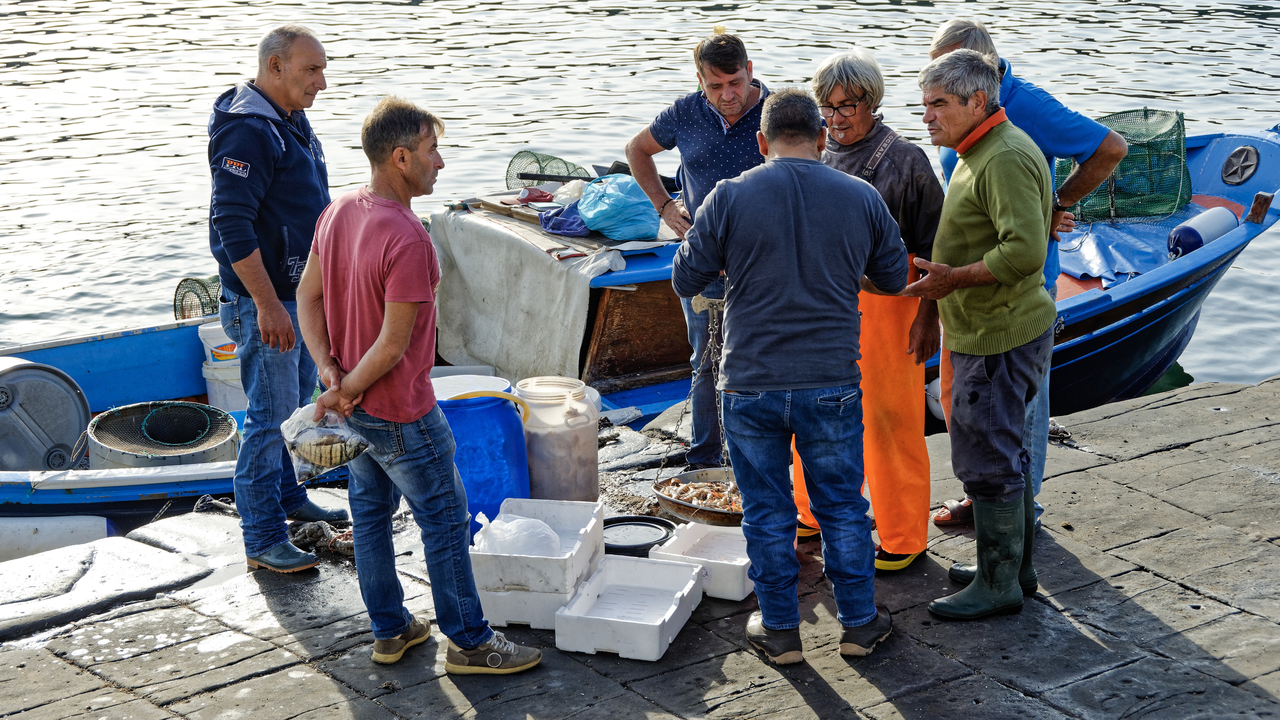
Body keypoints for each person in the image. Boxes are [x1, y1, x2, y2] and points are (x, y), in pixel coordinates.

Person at [296, 96, 541, 673]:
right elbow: (393, 345)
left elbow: (307, 296)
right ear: (401, 158)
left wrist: (330, 373)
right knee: (445, 523)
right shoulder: (407, 236)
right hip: (400, 411)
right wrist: (348, 386)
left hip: (352, 409)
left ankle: (390, 629)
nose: (441, 163)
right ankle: (472, 641)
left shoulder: (338, 212)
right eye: (432, 152)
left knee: (370, 516)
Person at [673, 88, 908, 663]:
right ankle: (859, 624)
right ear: (823, 139)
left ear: (761, 142)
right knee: (842, 507)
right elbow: (896, 276)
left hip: (749, 382)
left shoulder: (729, 196)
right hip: (830, 379)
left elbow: (685, 278)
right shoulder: (861, 195)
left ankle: (780, 630)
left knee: (766, 511)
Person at [927, 19, 1128, 533]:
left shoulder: (1023, 112)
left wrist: (1057, 203)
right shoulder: (954, 114)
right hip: (970, 293)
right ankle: (987, 495)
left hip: (1016, 291)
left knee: (1019, 410)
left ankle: (1021, 511)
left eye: (948, 78)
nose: (935, 90)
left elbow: (1109, 148)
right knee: (969, 403)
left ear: (981, 86)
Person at [904, 50, 1056, 620]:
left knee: (989, 458)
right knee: (1005, 450)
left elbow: (1024, 251)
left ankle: (999, 585)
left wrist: (950, 281)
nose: (927, 117)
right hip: (988, 328)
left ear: (977, 100)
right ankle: (1013, 568)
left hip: (998, 334)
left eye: (939, 104)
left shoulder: (1004, 157)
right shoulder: (979, 149)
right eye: (924, 105)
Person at [789, 49, 944, 572]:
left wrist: (928, 317)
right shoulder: (817, 152)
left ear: (871, 103)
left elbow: (935, 250)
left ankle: (903, 535)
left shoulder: (907, 160)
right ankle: (808, 512)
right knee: (811, 411)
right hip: (824, 304)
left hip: (890, 307)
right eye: (827, 108)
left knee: (888, 422)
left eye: (847, 106)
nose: (836, 118)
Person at [209, 24, 347, 574]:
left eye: (323, 69)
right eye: (311, 70)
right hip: (264, 301)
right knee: (267, 422)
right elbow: (231, 226)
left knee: (294, 406)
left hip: (297, 293)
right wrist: (267, 305)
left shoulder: (288, 115)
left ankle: (289, 500)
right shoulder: (246, 132)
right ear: (275, 67)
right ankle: (262, 538)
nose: (321, 81)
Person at [625, 33, 770, 470]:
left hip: (762, 260)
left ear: (749, 69)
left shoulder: (777, 112)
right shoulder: (685, 112)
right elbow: (636, 150)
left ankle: (758, 457)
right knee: (705, 358)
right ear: (700, 81)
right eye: (715, 86)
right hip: (701, 259)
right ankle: (705, 457)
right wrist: (666, 207)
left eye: (736, 82)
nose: (728, 95)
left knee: (760, 358)